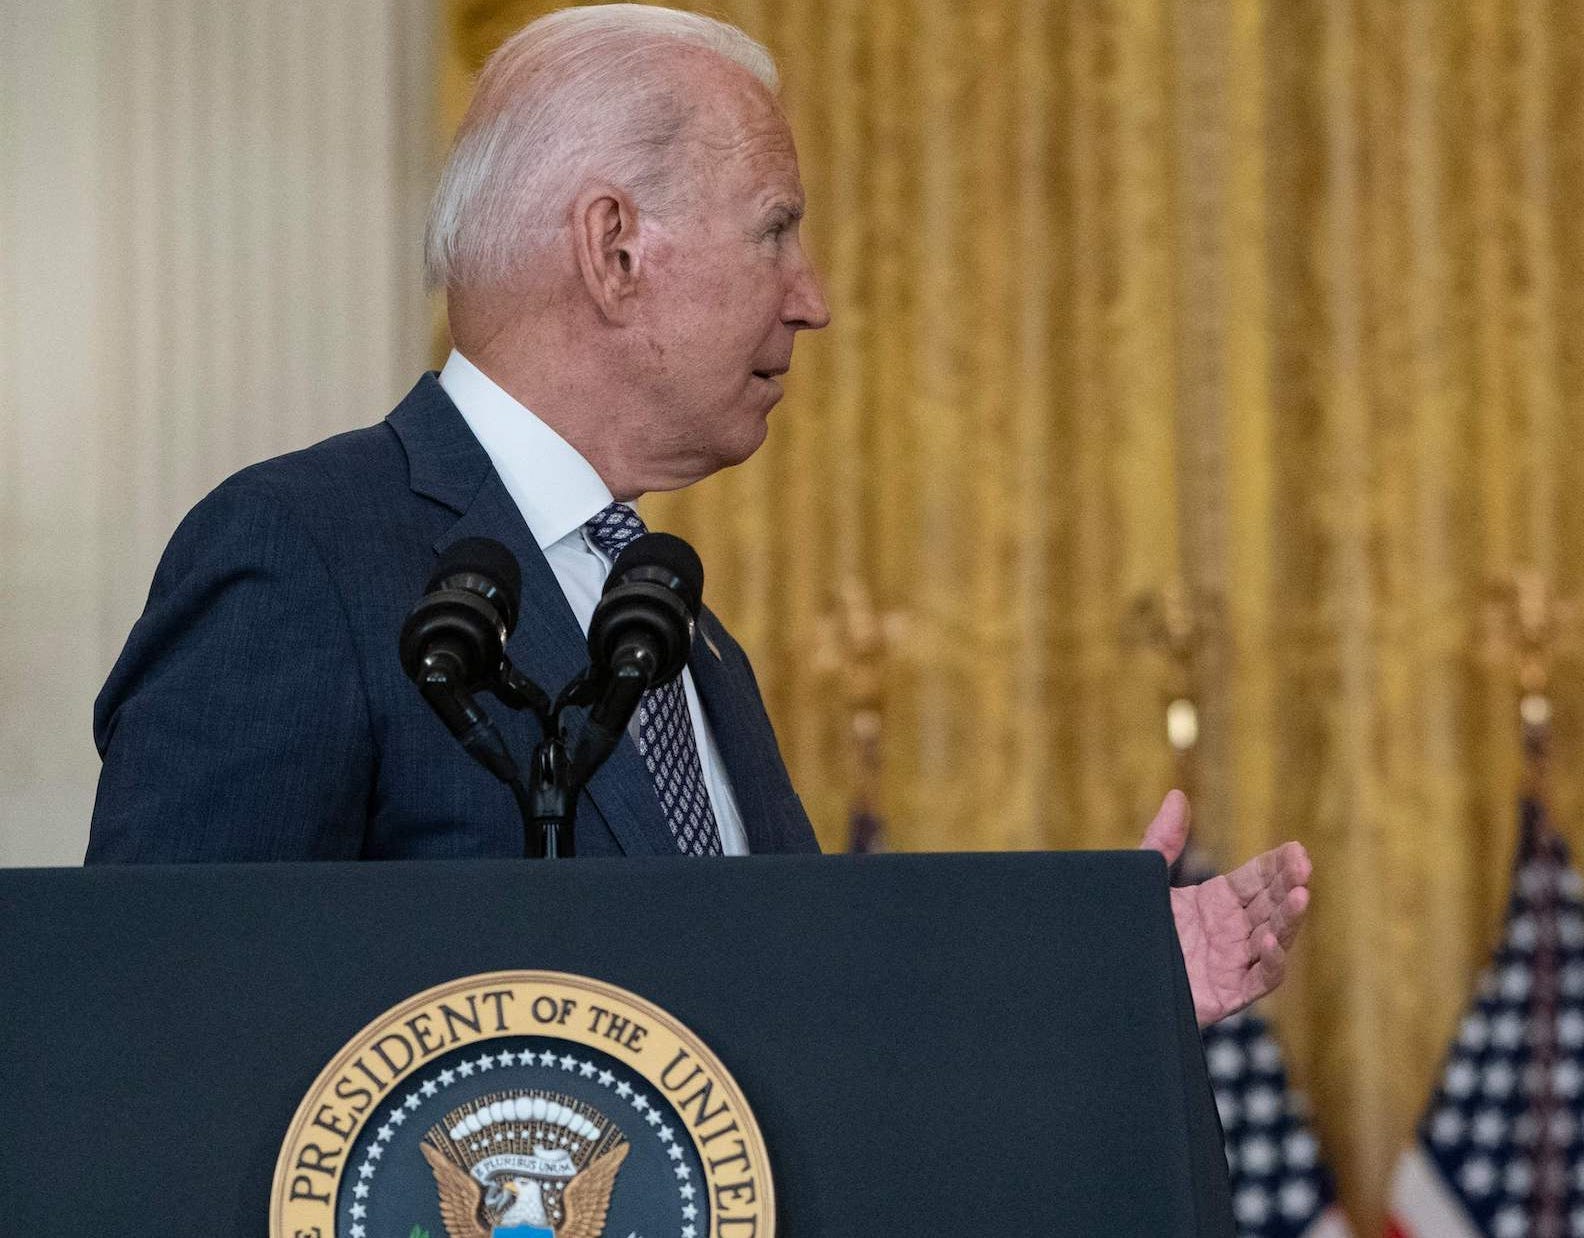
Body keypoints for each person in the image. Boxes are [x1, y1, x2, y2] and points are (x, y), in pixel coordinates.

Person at [84, 5, 1307, 1028]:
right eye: (777, 229)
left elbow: (785, 1013)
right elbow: (153, 1026)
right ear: (612, 247)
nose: (814, 298)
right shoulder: (305, 553)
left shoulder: (666, 620)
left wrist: (1098, 979)